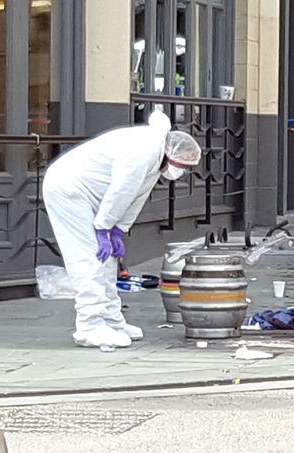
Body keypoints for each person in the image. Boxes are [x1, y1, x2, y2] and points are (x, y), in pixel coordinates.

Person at [42, 110, 202, 349]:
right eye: (183, 166)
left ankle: (111, 319)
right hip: (68, 190)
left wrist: (118, 229)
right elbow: (122, 190)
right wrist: (104, 227)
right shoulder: (144, 150)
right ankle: (90, 325)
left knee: (107, 260)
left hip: (88, 195)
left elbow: (137, 195)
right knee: (88, 258)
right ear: (173, 156)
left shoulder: (155, 155)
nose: (181, 172)